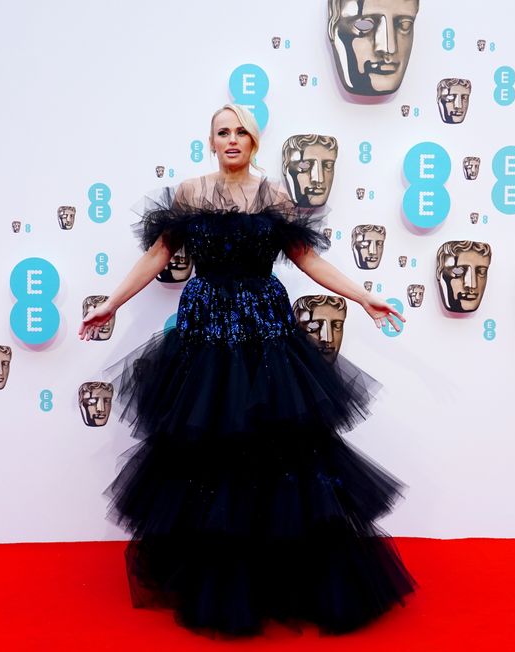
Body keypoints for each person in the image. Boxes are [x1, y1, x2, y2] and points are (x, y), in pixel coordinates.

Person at [78, 104, 416, 637]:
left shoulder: (273, 196)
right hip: (206, 329)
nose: (232, 140)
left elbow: (308, 260)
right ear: (210, 141)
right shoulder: (190, 192)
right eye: (222, 132)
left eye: (242, 133)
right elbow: (157, 256)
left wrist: (365, 296)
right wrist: (112, 303)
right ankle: (215, 580)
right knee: (208, 451)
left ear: (254, 143)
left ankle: (285, 578)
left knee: (281, 450)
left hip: (264, 330)